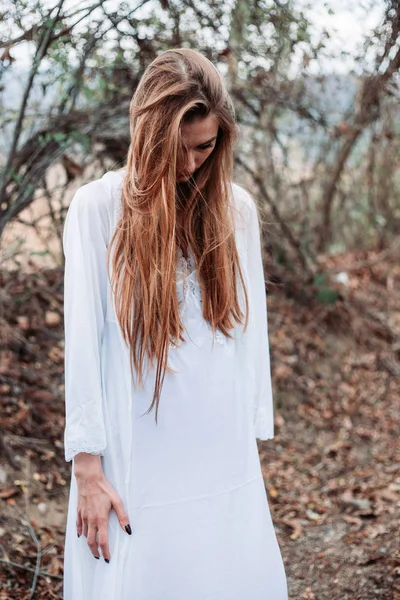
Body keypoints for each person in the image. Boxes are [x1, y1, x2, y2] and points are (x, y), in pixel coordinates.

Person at [62, 47, 288, 599]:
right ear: (147, 133)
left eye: (205, 147)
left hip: (216, 441)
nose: (190, 165)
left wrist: (250, 427)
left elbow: (245, 335)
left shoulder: (235, 210)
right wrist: (87, 470)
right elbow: (84, 345)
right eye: (177, 149)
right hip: (136, 439)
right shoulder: (96, 209)